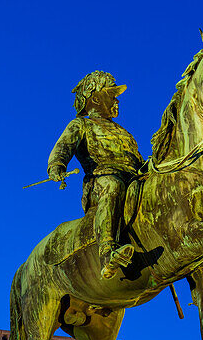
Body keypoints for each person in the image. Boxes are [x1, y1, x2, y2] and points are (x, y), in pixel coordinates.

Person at [47, 71, 143, 279]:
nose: (117, 100)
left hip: (133, 179)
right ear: (96, 98)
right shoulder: (80, 125)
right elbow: (62, 149)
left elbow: (138, 160)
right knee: (113, 186)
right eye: (112, 94)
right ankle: (107, 253)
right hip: (101, 181)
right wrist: (57, 166)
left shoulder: (124, 132)